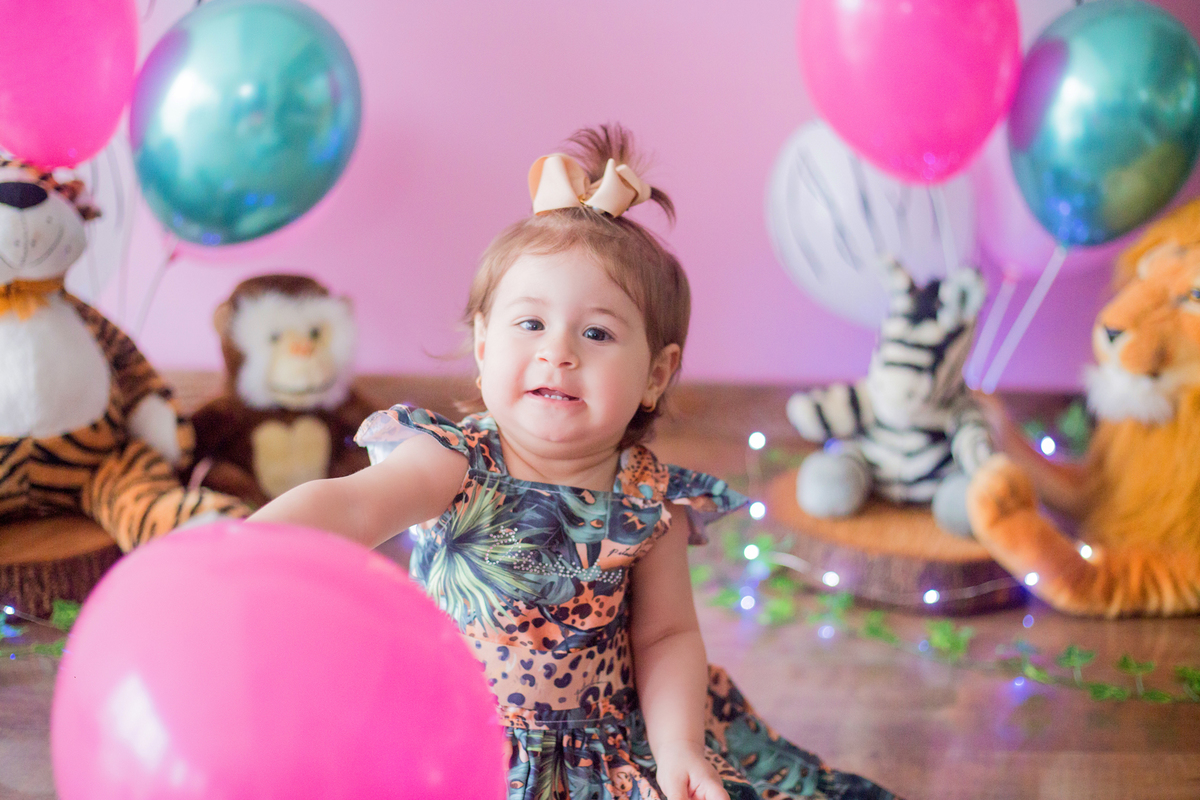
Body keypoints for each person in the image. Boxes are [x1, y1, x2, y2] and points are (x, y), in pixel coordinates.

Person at [249, 124, 899, 800]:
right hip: (454, 739)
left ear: (655, 375)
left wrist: (678, 748)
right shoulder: (454, 461)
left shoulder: (647, 502)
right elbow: (354, 505)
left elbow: (667, 636)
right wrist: (246, 547)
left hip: (603, 752)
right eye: (530, 323)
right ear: (483, 346)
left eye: (596, 332)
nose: (558, 352)